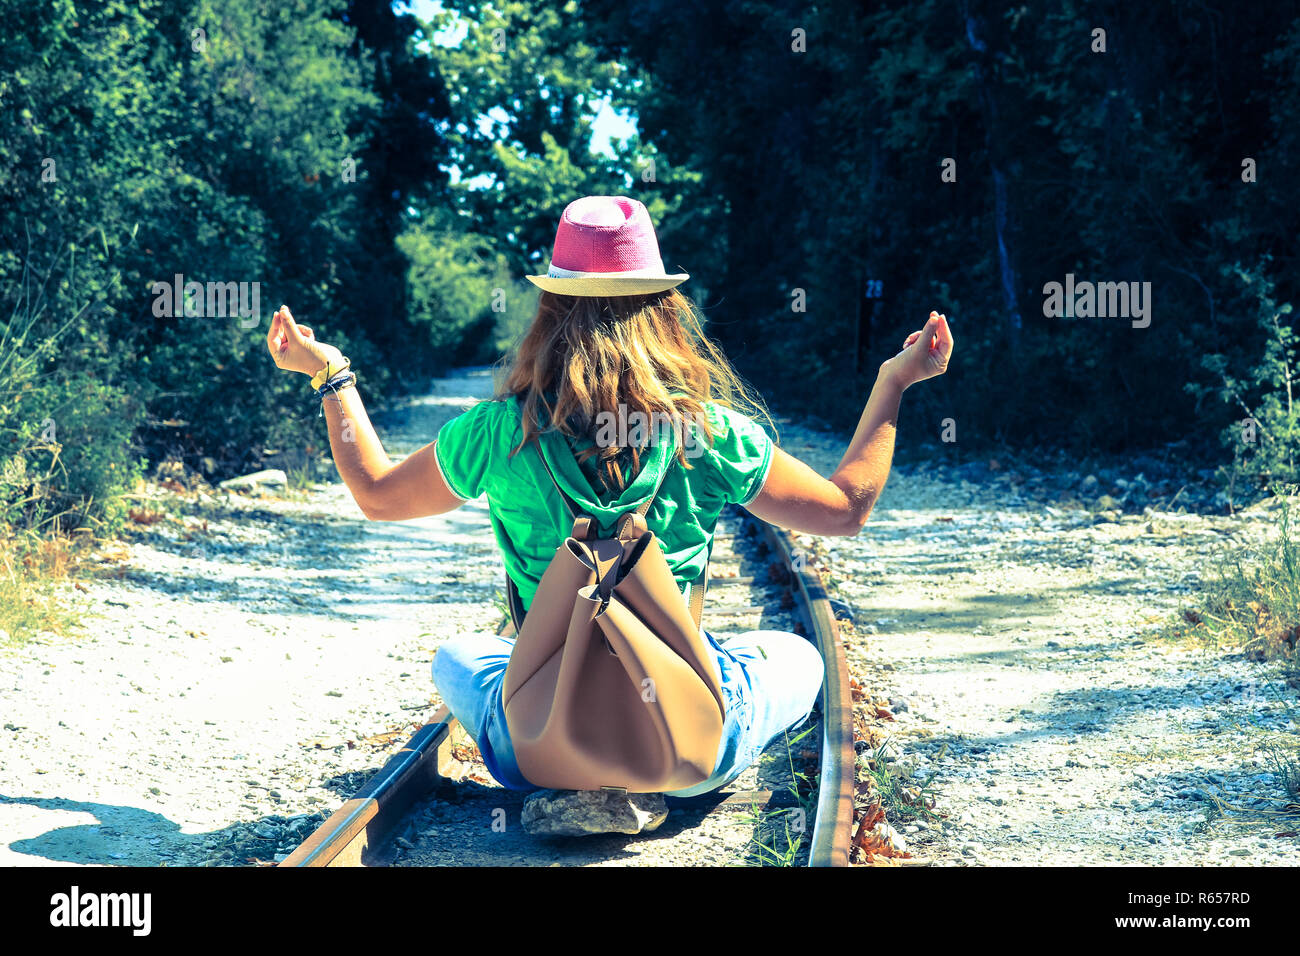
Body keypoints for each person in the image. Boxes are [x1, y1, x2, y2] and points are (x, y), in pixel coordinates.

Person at [266, 195, 954, 813]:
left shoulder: (499, 430)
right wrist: (894, 383)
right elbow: (845, 509)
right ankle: (665, 758)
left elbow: (378, 496)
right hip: (683, 752)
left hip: (538, 749)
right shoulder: (706, 432)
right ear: (662, 310)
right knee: (798, 659)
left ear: (550, 309)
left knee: (457, 655)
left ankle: (570, 770)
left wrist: (331, 374)